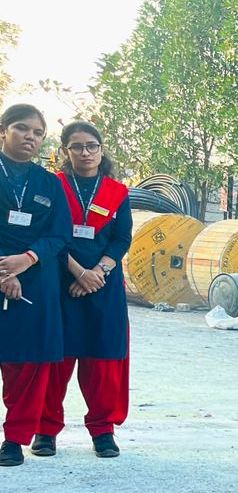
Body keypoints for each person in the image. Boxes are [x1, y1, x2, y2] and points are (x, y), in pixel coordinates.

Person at [34, 120, 132, 459]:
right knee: (55, 360)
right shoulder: (54, 187)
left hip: (104, 286)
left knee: (102, 361)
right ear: (65, 151)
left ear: (101, 150)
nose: (85, 152)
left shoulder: (117, 192)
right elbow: (48, 236)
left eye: (92, 145)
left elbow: (121, 239)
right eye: (77, 146)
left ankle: (103, 431)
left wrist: (97, 273)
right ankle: (45, 430)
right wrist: (78, 273)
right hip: (59, 284)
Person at [0, 104, 72, 467]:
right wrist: (4, 272)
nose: (30, 136)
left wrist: (26, 260)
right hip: (2, 270)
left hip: (37, 281)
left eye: (38, 132)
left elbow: (60, 234)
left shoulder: (49, 184)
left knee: (27, 364)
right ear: (3, 131)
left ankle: (14, 439)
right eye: (22, 128)